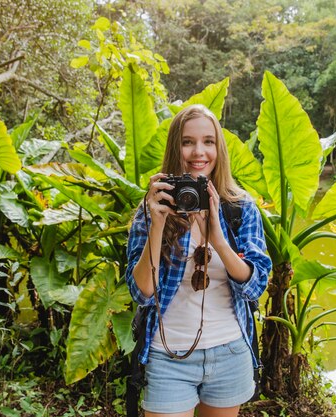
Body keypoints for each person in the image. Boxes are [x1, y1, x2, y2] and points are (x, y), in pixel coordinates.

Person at [125, 104, 272, 417]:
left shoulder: (241, 208)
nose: (198, 152)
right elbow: (141, 293)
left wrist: (217, 238)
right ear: (175, 148)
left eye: (208, 141)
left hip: (230, 351)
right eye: (187, 142)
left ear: (218, 148)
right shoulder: (152, 208)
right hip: (168, 355)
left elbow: (256, 285)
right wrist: (158, 223)